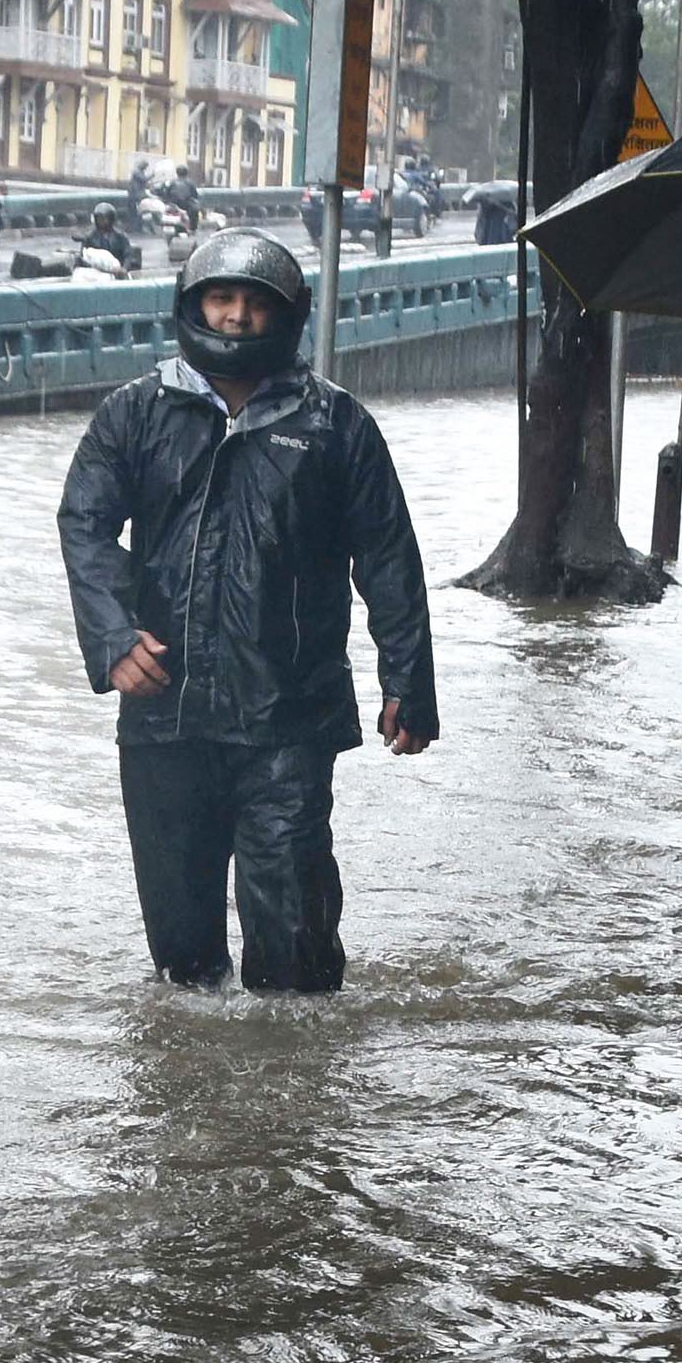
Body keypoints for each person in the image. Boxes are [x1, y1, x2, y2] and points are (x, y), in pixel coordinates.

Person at [57, 229, 438, 992]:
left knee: (294, 963)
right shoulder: (135, 414)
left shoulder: (336, 426)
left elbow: (388, 555)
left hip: (288, 722)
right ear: (192, 306)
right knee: (181, 969)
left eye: (254, 304)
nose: (235, 317)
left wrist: (408, 680)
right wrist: (111, 633)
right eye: (221, 299)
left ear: (285, 316)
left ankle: (294, 1103)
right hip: (164, 716)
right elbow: (84, 523)